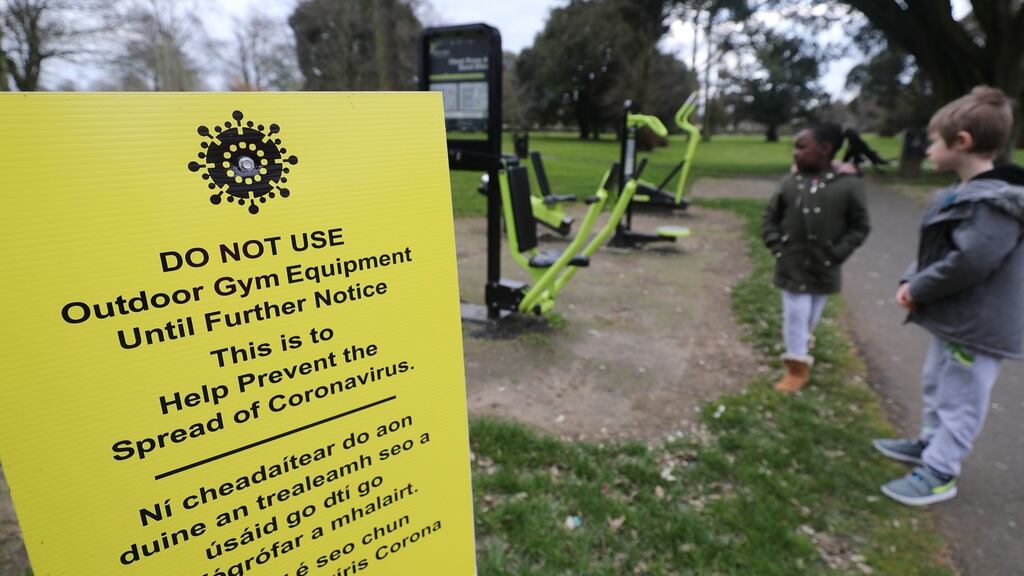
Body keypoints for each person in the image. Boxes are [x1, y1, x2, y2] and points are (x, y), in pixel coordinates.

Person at [874, 86, 1024, 506]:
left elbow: (969, 262)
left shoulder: (996, 204)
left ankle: (941, 471)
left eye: (934, 141)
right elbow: (936, 252)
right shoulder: (962, 194)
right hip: (954, 318)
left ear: (963, 142)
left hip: (977, 326)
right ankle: (930, 444)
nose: (927, 150)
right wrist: (911, 280)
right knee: (937, 382)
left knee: (961, 396)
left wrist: (919, 288)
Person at [763, 122, 871, 393]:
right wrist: (777, 246)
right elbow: (771, 217)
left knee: (811, 315)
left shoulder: (849, 186)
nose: (795, 152)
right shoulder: (790, 183)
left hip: (825, 266)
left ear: (824, 149)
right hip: (791, 262)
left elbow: (860, 226)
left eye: (802, 146)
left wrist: (838, 253)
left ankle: (800, 342)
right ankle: (796, 367)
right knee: (796, 314)